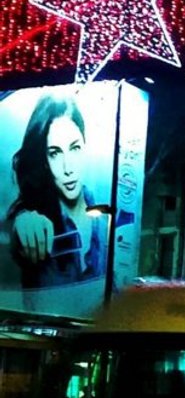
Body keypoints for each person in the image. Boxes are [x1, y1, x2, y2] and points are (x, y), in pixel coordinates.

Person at [7, 94, 106, 288]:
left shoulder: (104, 216)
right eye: (54, 153)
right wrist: (23, 222)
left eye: (75, 148)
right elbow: (18, 234)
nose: (68, 168)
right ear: (44, 161)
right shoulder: (35, 219)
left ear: (85, 146)